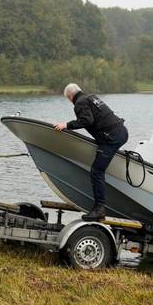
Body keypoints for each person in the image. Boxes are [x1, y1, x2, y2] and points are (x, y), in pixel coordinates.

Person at [54, 83, 127, 221]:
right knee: (99, 163)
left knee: (96, 171)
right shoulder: (91, 97)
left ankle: (99, 208)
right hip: (120, 132)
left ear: (70, 97)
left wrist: (66, 125)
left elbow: (87, 120)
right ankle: (99, 206)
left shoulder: (80, 103)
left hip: (111, 138)